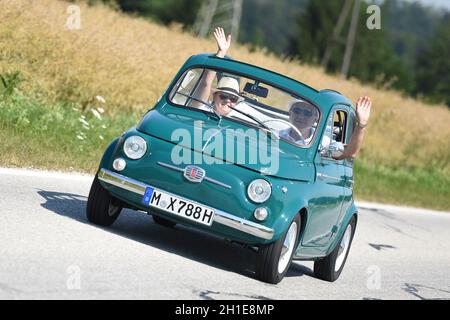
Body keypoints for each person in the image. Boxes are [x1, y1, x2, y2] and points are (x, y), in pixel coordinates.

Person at [281, 96, 372, 159]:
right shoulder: (277, 134)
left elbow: (349, 152)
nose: (300, 116)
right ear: (290, 113)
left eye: (307, 113)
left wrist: (361, 125)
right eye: (297, 110)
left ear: (315, 119)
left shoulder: (323, 142)